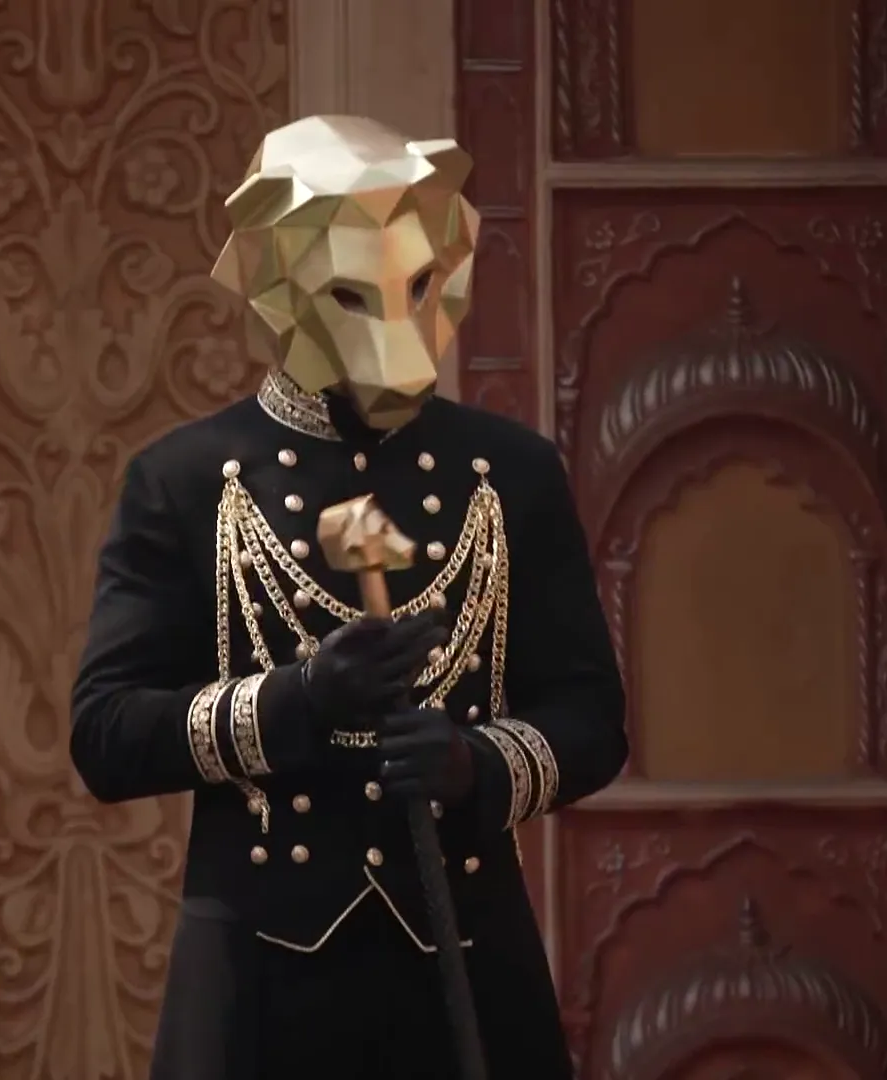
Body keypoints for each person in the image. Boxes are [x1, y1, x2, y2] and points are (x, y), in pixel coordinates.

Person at [71, 114, 628, 1080]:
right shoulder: (184, 480)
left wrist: (475, 764)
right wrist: (296, 701)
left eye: (419, 287)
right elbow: (107, 736)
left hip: (467, 962)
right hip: (258, 983)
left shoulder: (513, 473)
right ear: (278, 284)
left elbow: (593, 722)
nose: (401, 343)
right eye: (351, 294)